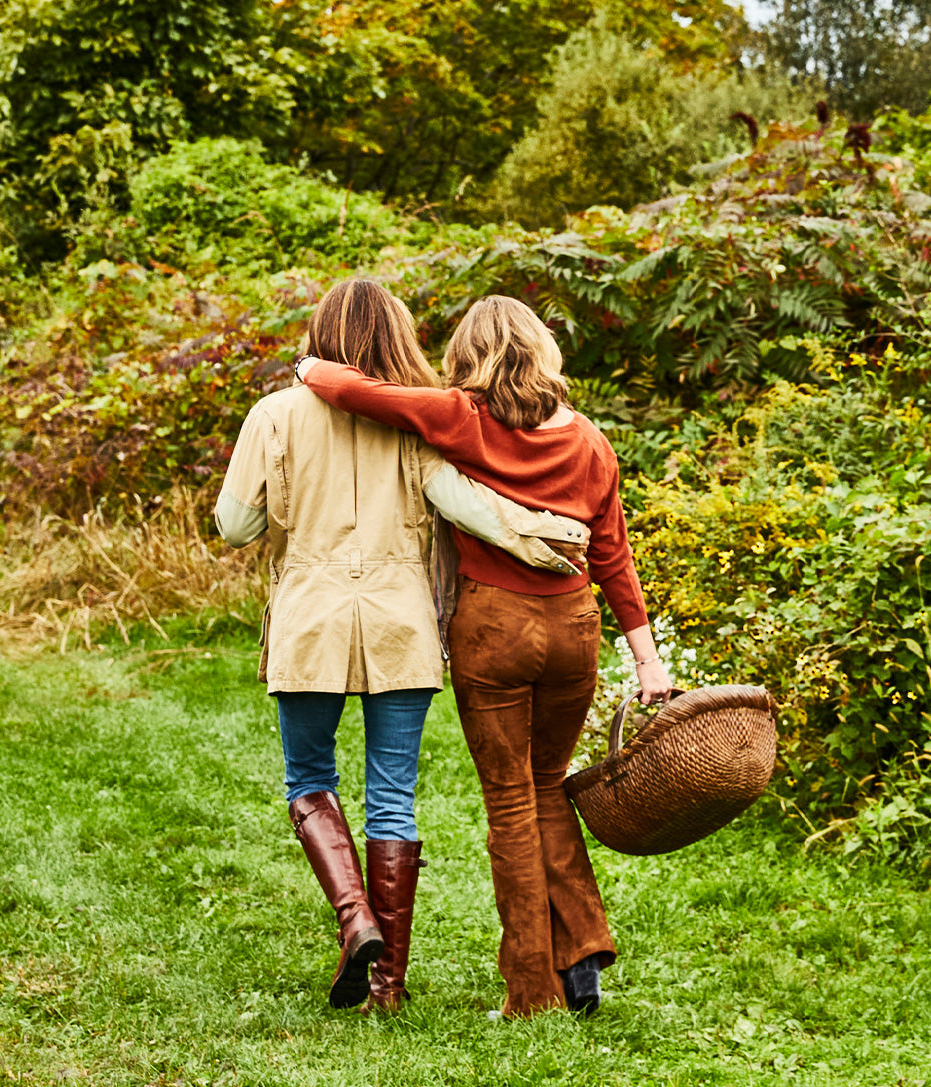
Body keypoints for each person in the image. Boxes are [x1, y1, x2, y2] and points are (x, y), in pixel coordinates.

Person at [214, 280, 590, 1014]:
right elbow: (469, 510)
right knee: (392, 797)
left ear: (320, 333)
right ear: (398, 336)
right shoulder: (416, 425)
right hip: (401, 626)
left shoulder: (274, 416)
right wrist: (549, 542)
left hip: (311, 621)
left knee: (309, 778)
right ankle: (385, 986)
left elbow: (234, 527)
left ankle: (356, 921)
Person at [297, 294, 673, 1017]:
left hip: (495, 629)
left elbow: (352, 388)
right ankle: (584, 950)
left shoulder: (462, 418)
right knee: (548, 783)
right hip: (574, 630)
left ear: (471, 358)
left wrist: (309, 364)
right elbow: (614, 557)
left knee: (509, 804)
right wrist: (647, 661)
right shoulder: (591, 441)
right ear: (543, 351)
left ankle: (531, 991)